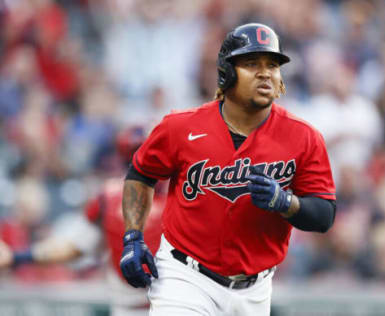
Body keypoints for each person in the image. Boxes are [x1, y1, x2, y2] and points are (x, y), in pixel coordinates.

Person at [120, 23, 336, 316]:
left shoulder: (304, 137)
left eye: (272, 65)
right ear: (227, 72)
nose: (265, 73)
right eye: (251, 63)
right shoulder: (181, 127)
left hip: (255, 289)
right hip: (185, 276)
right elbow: (140, 173)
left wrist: (287, 203)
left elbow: (324, 215)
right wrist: (133, 236)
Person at [0, 126, 166, 316]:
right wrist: (16, 257)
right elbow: (74, 247)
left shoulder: (186, 191)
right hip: (129, 308)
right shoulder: (110, 197)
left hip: (181, 305)